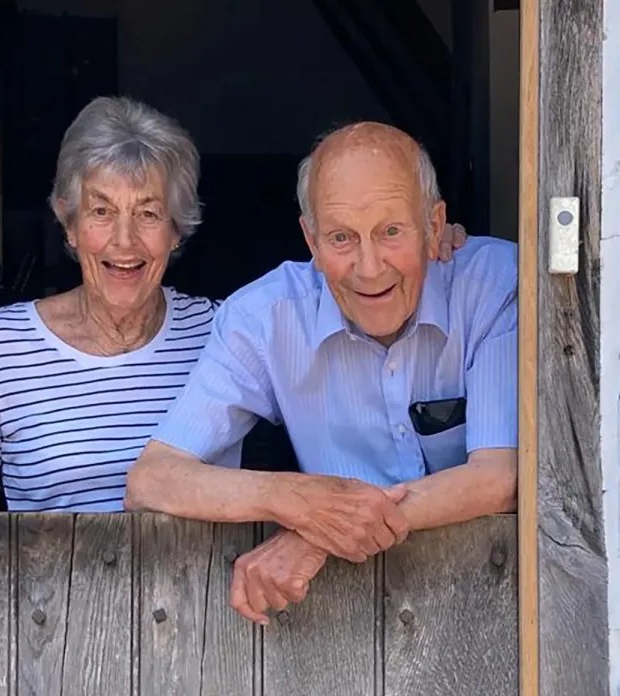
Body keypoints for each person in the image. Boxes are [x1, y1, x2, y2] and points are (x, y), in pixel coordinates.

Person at [0, 99, 467, 553]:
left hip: (203, 629)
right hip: (49, 624)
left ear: (177, 231)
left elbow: (356, 371)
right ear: (68, 225)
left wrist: (434, 250)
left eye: (149, 214)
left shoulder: (223, 330)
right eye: (101, 211)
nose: (124, 241)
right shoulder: (2, 346)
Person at [123, 121, 517, 624]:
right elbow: (153, 480)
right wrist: (298, 501)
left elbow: (500, 477)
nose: (369, 267)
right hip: (337, 623)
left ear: (435, 226)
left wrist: (322, 534)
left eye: (391, 231)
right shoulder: (263, 318)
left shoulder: (496, 285)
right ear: (310, 238)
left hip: (495, 604)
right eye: (341, 238)